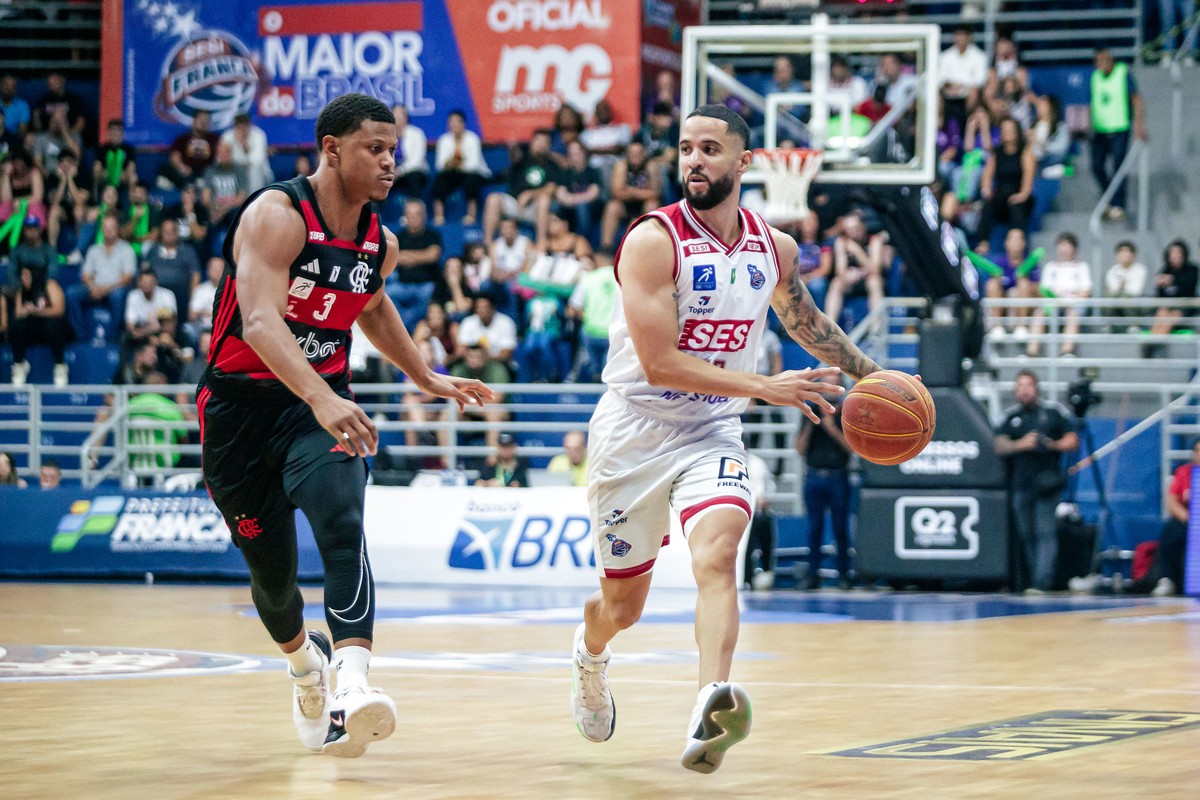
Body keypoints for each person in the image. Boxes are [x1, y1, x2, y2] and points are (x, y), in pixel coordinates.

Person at [570, 104, 884, 773]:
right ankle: (590, 654)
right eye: (686, 147)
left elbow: (805, 321)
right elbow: (660, 364)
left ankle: (709, 701)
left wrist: (873, 375)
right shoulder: (653, 241)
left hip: (711, 427)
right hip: (634, 430)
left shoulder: (775, 248)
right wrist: (766, 386)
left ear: (743, 162)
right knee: (622, 608)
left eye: (709, 149)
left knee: (717, 555)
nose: (693, 160)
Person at [197, 93, 493, 758]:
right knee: (274, 582)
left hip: (317, 408)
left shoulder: (379, 242)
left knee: (342, 522)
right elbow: (260, 322)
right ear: (331, 150)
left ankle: (353, 683)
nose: (390, 162)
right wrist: (318, 395)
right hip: (240, 411)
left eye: (393, 150)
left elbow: (372, 306)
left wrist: (426, 376)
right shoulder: (276, 215)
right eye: (375, 149)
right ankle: (306, 669)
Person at [994, 370, 1078, 593]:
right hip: (1021, 485)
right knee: (1027, 534)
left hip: (1046, 485)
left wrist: (1051, 444)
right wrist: (1021, 444)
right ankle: (1034, 580)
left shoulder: (1052, 414)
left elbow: (1072, 440)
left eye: (1028, 385)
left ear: (1036, 388)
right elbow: (999, 445)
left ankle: (1042, 582)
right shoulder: (1011, 418)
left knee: (1045, 532)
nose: (1024, 390)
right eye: (1020, 386)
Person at [795, 380, 853, 590]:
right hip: (814, 475)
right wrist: (813, 421)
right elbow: (799, 449)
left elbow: (851, 449)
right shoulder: (809, 413)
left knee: (840, 528)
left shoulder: (846, 414)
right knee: (814, 528)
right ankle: (812, 575)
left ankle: (844, 575)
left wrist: (831, 428)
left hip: (838, 476)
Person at [1089, 48, 1147, 222]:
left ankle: (1119, 204)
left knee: (1118, 167)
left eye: (1104, 60)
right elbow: (1093, 102)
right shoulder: (1095, 77)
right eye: (1098, 61)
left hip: (1119, 128)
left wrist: (1139, 125)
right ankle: (1109, 197)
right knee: (1096, 166)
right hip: (1100, 130)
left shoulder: (1123, 73)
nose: (1101, 65)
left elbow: (1136, 99)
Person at [68, 212, 136, 342]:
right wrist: (93, 287)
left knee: (118, 295)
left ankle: (115, 337)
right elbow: (85, 275)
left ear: (118, 229)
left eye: (112, 227)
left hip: (115, 288)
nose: (109, 231)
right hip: (94, 288)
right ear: (102, 229)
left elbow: (127, 278)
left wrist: (106, 289)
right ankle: (79, 335)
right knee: (71, 293)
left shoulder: (127, 249)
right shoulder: (94, 249)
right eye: (106, 227)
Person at [385, 199, 443, 333]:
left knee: (428, 299)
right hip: (402, 285)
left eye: (417, 214)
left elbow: (433, 256)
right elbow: (393, 258)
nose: (413, 218)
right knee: (386, 294)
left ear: (424, 215)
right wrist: (421, 255)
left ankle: (402, 328)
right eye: (409, 215)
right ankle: (407, 328)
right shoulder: (399, 236)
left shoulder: (433, 235)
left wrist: (406, 255)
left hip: (426, 285)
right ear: (405, 216)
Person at [9, 263, 72, 386]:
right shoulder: (21, 291)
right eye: (22, 275)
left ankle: (60, 365)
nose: (23, 278)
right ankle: (19, 364)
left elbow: (59, 310)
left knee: (53, 325)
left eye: (26, 275)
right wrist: (26, 310)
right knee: (16, 326)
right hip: (33, 329)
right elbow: (18, 314)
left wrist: (37, 311)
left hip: (52, 327)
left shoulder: (49, 285)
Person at [1033, 232, 1092, 357]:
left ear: (1074, 249)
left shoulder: (1082, 267)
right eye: (1061, 245)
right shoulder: (1050, 267)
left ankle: (1067, 351)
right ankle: (1032, 351)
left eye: (1067, 245)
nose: (1064, 249)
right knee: (1039, 313)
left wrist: (1069, 302)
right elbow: (1043, 290)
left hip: (1074, 304)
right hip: (1053, 303)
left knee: (1073, 314)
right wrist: (1056, 300)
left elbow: (1086, 291)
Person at [430, 110, 490, 226]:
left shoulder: (472, 138)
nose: (454, 125)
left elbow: (473, 165)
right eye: (451, 122)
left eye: (457, 122)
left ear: (463, 124)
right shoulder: (444, 140)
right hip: (454, 173)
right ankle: (439, 216)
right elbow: (440, 165)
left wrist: (455, 164)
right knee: (439, 180)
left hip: (476, 173)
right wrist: (451, 165)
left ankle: (471, 216)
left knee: (471, 181)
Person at [1144, 239, 1199, 357]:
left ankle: (1152, 344)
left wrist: (1173, 280)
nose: (1175, 256)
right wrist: (1160, 285)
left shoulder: (1192, 269)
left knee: (1170, 316)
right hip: (1167, 307)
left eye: (1178, 253)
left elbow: (1189, 288)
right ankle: (1154, 340)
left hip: (1184, 307)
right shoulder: (1165, 270)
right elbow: (1160, 296)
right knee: (1162, 312)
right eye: (1172, 253)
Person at [221, 113, 274, 193]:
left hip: (260, 174)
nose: (243, 130)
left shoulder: (259, 135)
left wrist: (244, 146)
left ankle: (254, 197)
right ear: (235, 127)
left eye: (245, 126)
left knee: (254, 170)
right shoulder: (228, 136)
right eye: (239, 127)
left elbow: (257, 160)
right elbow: (224, 158)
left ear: (250, 125)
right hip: (235, 170)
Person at [1103, 240, 1148, 328]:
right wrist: (1121, 287)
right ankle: (1107, 326)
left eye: (1127, 252)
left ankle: (1133, 326)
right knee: (1107, 296)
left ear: (1133, 255)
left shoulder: (1140, 269)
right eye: (1121, 252)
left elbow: (1136, 290)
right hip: (1115, 302)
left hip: (1133, 302)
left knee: (1125, 297)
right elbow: (1112, 290)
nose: (1124, 255)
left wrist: (1121, 287)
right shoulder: (1112, 270)